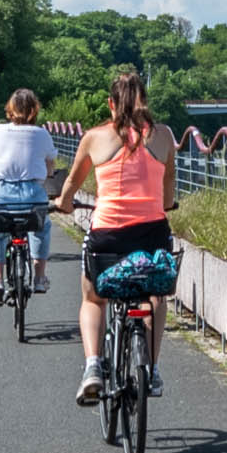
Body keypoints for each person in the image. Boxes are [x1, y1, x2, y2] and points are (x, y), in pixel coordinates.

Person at [62, 68, 180, 403]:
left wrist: (63, 202)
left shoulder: (94, 137)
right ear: (146, 101)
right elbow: (168, 183)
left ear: (110, 104)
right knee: (155, 297)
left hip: (108, 237)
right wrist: (165, 204)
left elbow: (71, 183)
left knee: (93, 298)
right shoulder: (163, 136)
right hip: (151, 235)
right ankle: (151, 369)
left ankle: (92, 367)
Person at [0, 90, 60, 305]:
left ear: (10, 109)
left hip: (1, 195)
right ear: (34, 110)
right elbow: (50, 167)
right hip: (33, 195)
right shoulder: (42, 134)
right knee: (41, 230)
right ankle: (39, 278)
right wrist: (48, 172)